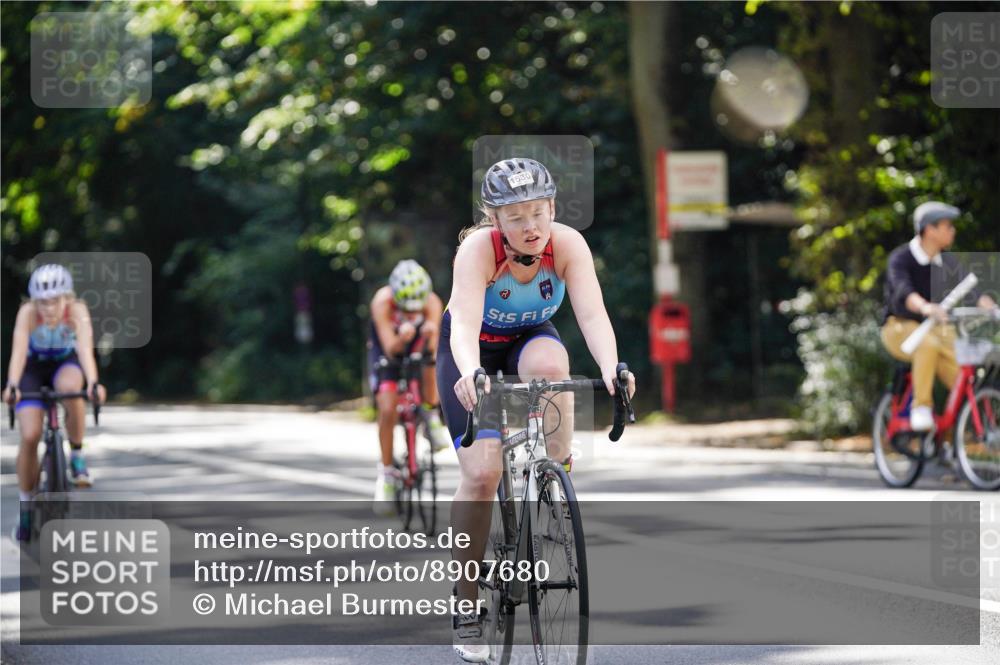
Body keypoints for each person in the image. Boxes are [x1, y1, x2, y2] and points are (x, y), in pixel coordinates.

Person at [437, 158, 635, 662]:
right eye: (517, 216)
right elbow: (461, 322)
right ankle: (466, 599)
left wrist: (612, 369)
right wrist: (467, 372)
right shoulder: (477, 251)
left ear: (553, 208)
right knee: (482, 474)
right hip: (473, 351)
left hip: (527, 340)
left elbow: (591, 312)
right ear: (494, 219)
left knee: (553, 362)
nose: (531, 227)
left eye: (539, 213)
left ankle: (552, 471)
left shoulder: (567, 244)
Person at [3, 264, 106, 542]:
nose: (48, 308)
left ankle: (76, 455)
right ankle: (26, 504)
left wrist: (94, 383)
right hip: (32, 371)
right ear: (34, 301)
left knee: (72, 388)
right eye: (42, 302)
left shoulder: (77, 312)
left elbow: (85, 351)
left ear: (67, 298)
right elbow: (18, 353)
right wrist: (12, 385)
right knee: (30, 434)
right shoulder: (27, 314)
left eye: (55, 301)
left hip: (64, 365)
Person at [880, 201, 997, 431]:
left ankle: (952, 435)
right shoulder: (901, 258)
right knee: (928, 344)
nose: (952, 231)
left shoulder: (947, 261)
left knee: (964, 372)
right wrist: (925, 307)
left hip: (937, 330)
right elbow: (904, 291)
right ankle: (920, 407)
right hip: (899, 328)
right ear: (929, 229)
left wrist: (993, 309)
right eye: (947, 226)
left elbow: (971, 290)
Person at [367, 259, 451, 515]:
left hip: (420, 346)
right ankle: (387, 474)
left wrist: (427, 335)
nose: (413, 312)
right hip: (387, 350)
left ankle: (431, 414)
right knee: (388, 407)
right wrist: (402, 337)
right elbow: (391, 348)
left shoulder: (433, 302)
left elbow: (433, 348)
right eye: (406, 307)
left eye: (417, 307)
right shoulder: (382, 302)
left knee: (432, 361)